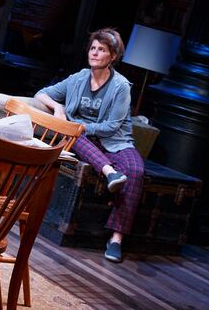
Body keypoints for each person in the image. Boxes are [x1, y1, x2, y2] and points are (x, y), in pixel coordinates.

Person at [35, 27, 144, 263]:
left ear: (112, 56)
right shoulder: (78, 78)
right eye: (92, 48)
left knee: (135, 171)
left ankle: (116, 239)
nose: (94, 53)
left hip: (114, 140)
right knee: (72, 135)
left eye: (101, 49)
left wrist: (80, 126)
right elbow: (41, 93)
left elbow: (112, 126)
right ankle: (110, 172)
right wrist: (58, 107)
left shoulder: (121, 86)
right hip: (81, 139)